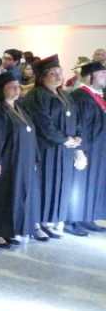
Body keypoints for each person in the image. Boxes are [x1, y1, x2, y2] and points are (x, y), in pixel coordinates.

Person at [23, 55, 82, 238]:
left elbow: (76, 119)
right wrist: (64, 140)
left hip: (63, 150)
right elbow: (43, 124)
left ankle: (47, 221)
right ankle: (35, 224)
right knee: (42, 185)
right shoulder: (37, 96)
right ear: (42, 77)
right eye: (52, 73)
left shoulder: (64, 95)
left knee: (57, 185)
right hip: (45, 149)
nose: (58, 77)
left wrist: (77, 137)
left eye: (59, 72)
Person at [0, 72, 40, 246]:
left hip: (21, 161)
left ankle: (10, 230)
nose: (16, 90)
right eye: (11, 87)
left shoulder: (20, 108)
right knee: (1, 195)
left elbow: (32, 134)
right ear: (2, 90)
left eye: (18, 87)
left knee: (15, 196)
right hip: (6, 161)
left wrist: (35, 158)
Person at [69, 62, 106, 232]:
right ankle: (73, 220)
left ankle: (87, 216)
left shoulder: (98, 96)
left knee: (92, 184)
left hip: (98, 149)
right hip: (85, 148)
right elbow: (79, 125)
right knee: (79, 184)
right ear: (90, 76)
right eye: (102, 74)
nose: (105, 77)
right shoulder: (80, 96)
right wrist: (79, 151)